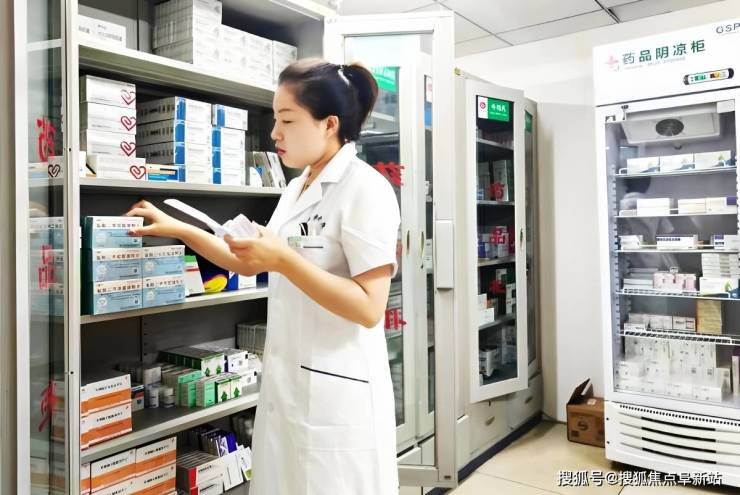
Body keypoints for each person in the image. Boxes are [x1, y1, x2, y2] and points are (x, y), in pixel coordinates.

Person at [125, 58, 401, 495]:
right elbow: (250, 262)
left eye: (287, 120)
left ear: (329, 124)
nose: (274, 133)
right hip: (289, 384)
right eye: (275, 119)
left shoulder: (366, 189)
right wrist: (179, 228)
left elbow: (369, 306)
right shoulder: (296, 187)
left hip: (338, 396)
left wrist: (285, 260)